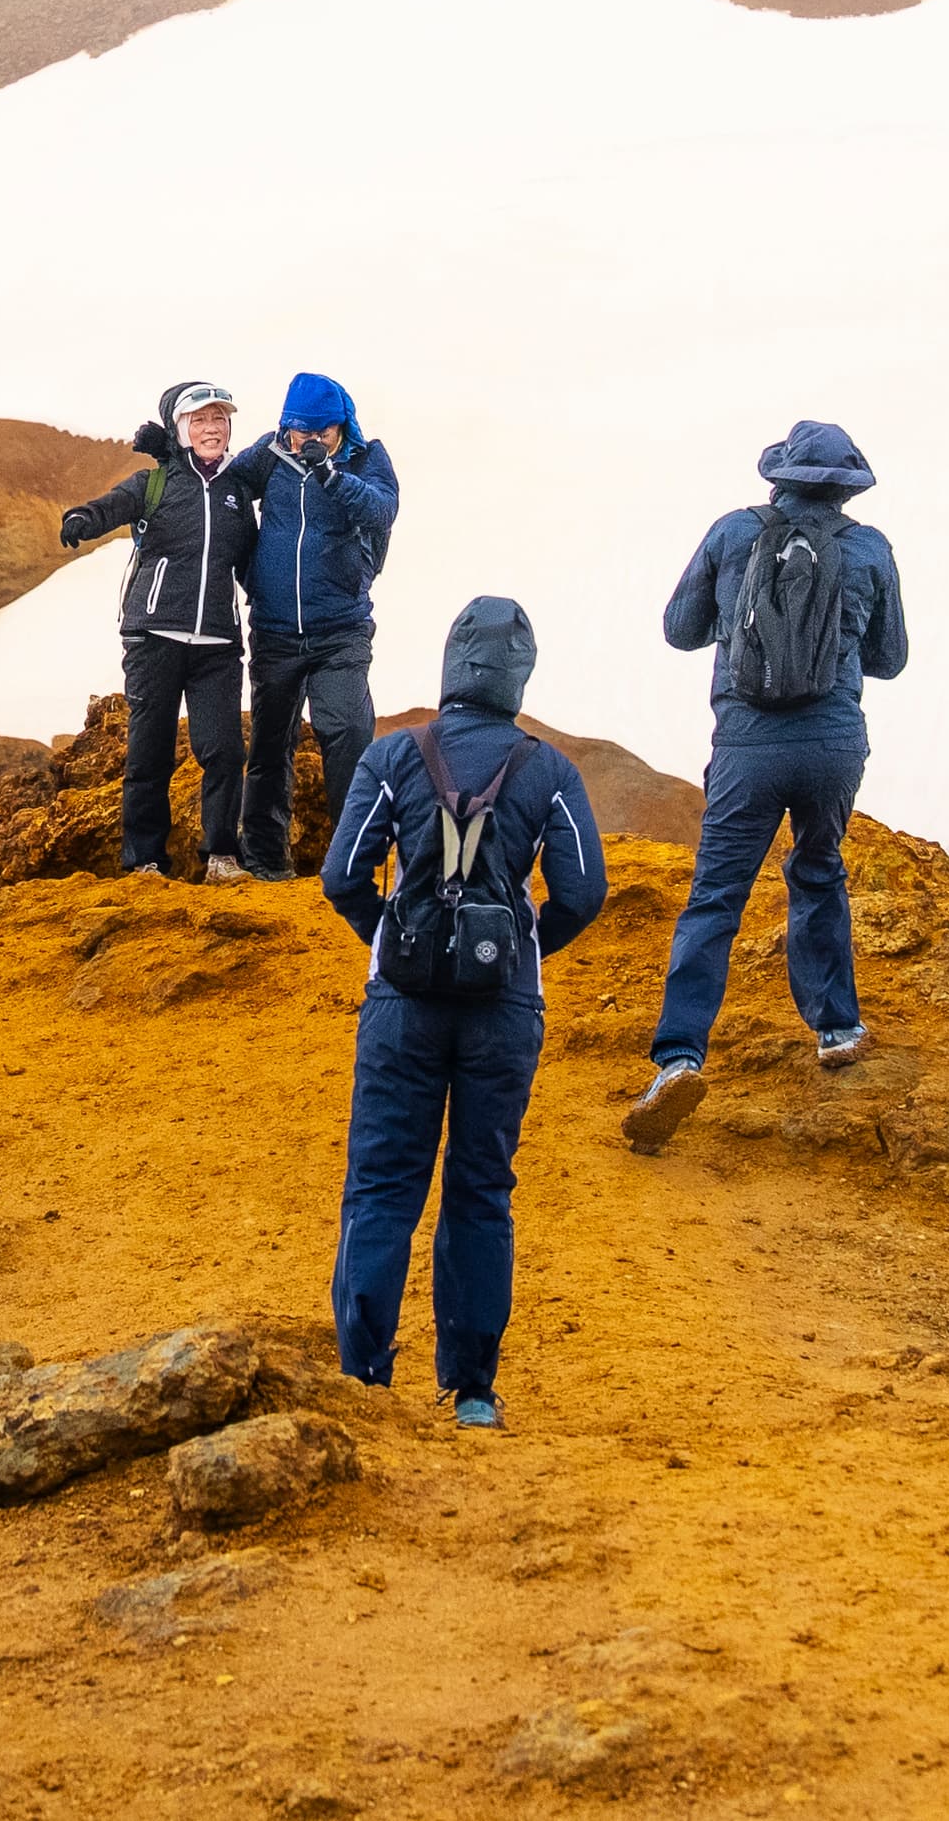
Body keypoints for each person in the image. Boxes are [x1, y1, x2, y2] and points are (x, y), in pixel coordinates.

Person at [319, 596, 606, 1428]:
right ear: (518, 676)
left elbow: (342, 876)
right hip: (503, 1011)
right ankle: (473, 1391)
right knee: (481, 1191)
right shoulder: (549, 770)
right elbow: (584, 892)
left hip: (401, 1007)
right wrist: (524, 950)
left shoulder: (393, 757)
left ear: (451, 666)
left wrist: (388, 936)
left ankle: (364, 1379)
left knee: (380, 1188)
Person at [621, 420, 910, 1154]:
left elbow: (680, 630)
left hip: (748, 747)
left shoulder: (731, 533)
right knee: (818, 870)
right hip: (833, 747)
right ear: (848, 488)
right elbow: (890, 658)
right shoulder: (869, 548)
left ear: (777, 474)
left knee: (716, 897)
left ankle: (679, 1057)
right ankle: (837, 1027)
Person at [58, 380, 259, 879]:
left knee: (225, 751)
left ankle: (221, 856)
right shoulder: (156, 482)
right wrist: (82, 518)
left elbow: (252, 563)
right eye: (200, 419)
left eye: (220, 419)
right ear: (179, 428)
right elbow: (112, 506)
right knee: (149, 753)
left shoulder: (237, 491)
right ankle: (144, 860)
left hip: (216, 642)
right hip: (154, 637)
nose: (212, 428)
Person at [229, 372, 399, 881]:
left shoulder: (366, 459)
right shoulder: (270, 453)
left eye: (319, 431)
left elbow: (383, 510)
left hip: (341, 628)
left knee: (346, 732)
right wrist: (250, 571)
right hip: (276, 629)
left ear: (339, 426)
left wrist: (330, 474)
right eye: (298, 430)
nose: (306, 440)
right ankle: (264, 860)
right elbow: (226, 488)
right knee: (269, 743)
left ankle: (355, 861)